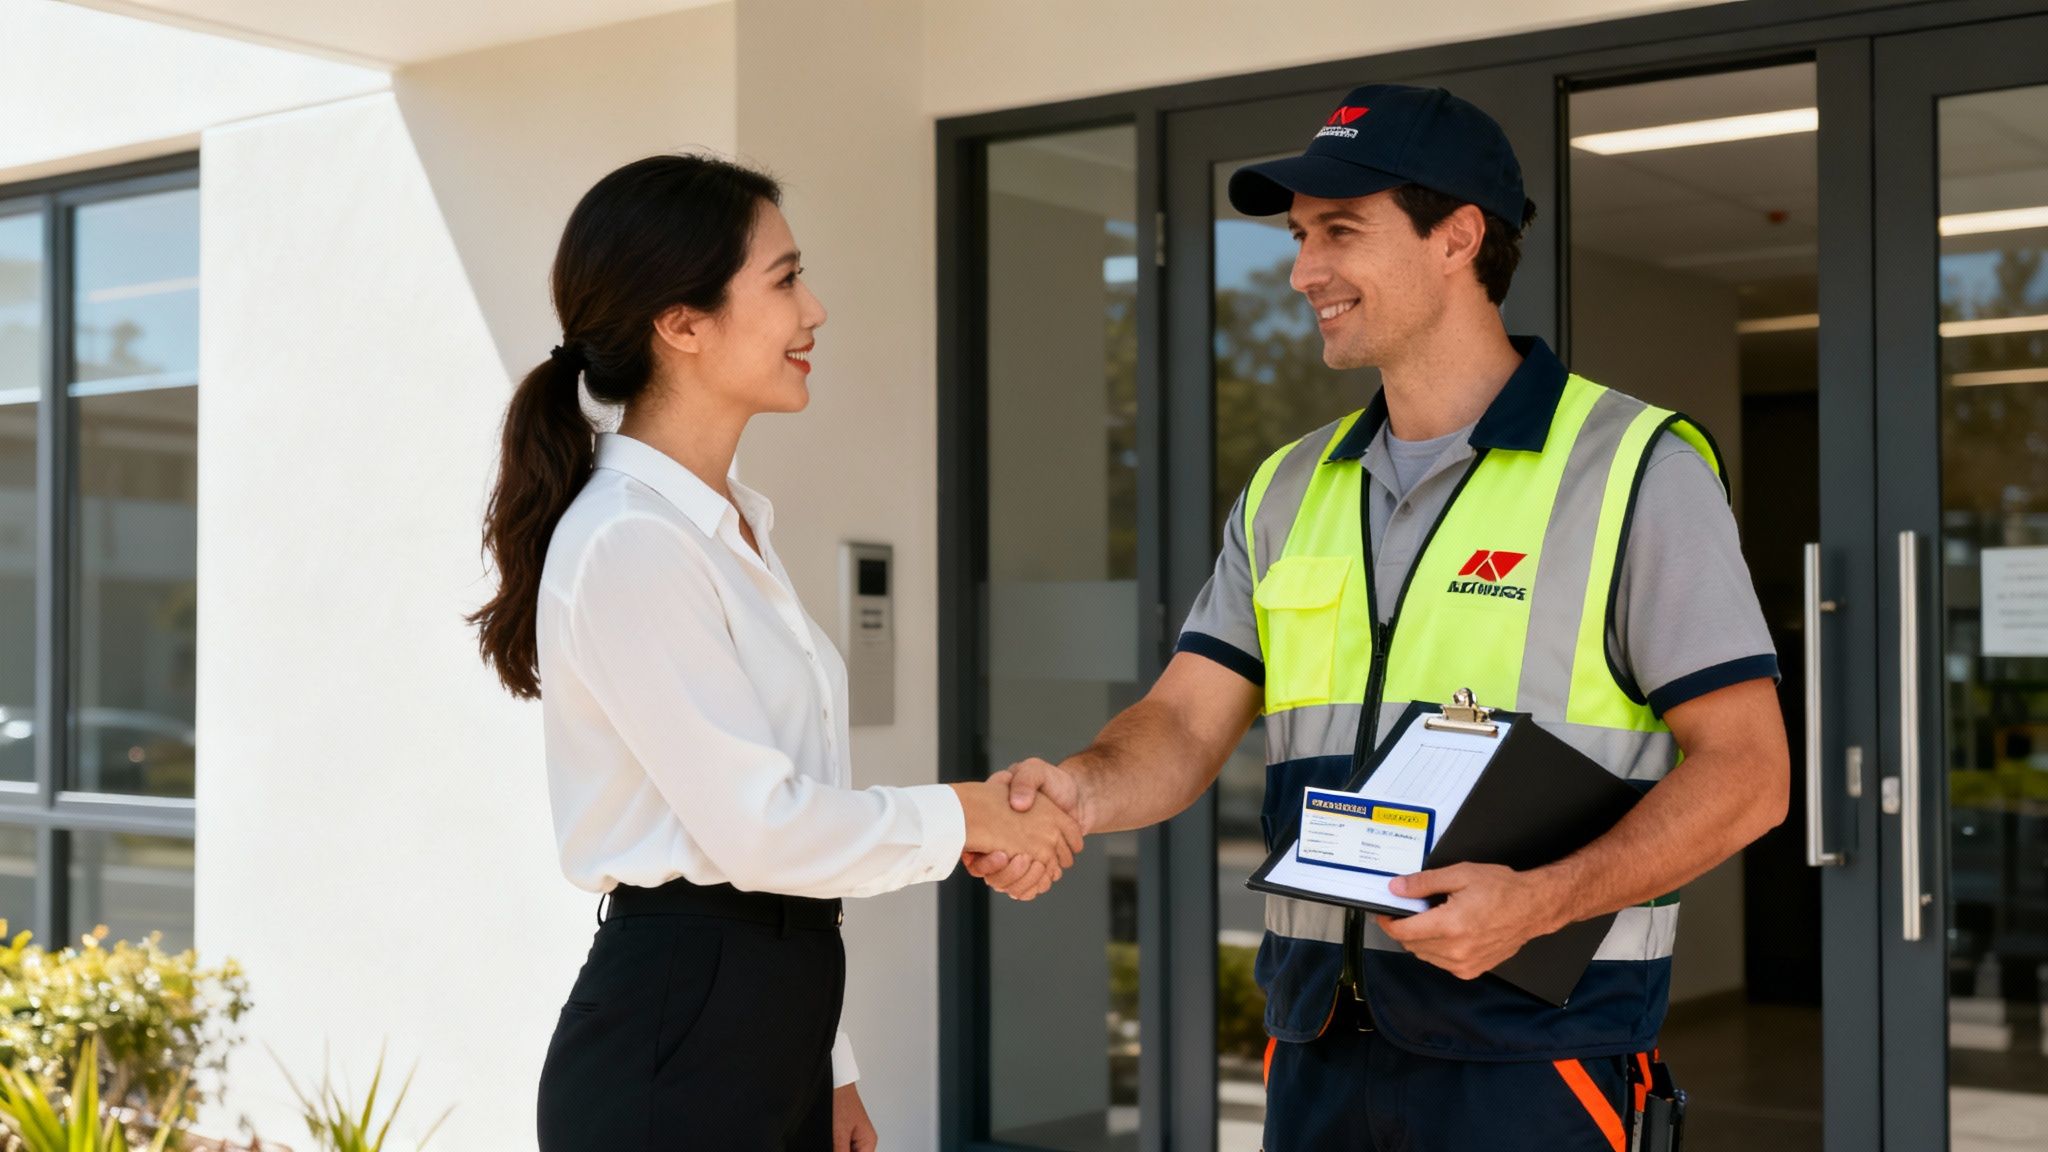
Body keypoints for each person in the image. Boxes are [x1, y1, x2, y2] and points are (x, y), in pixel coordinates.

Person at [969, 84, 1790, 1151]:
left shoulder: (1632, 470)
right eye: (1301, 236)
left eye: (1340, 232)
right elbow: (1180, 725)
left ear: (1457, 238)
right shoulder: (1286, 487)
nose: (1304, 270)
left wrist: (1537, 902)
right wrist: (1074, 788)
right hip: (1317, 1047)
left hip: (1534, 1059)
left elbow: (1749, 774)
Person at [469, 154, 1083, 1152]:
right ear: (681, 323)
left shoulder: (726, 526)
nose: (816, 311)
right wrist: (961, 813)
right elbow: (758, 832)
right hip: (678, 1045)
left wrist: (825, 1064)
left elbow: (771, 845)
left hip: (765, 1024)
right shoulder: (631, 540)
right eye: (786, 278)